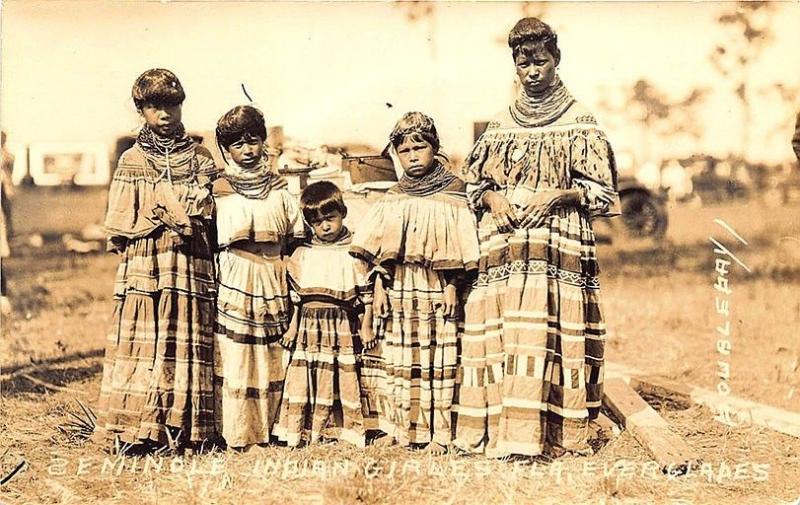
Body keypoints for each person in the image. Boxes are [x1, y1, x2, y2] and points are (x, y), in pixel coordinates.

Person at [453, 18, 619, 459]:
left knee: (551, 332)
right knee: (506, 334)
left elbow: (603, 194)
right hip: (505, 247)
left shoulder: (579, 120)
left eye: (540, 61)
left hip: (556, 243)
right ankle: (504, 433)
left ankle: (555, 435)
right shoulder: (501, 123)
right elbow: (472, 184)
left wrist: (560, 194)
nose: (532, 72)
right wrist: (492, 199)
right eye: (523, 63)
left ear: (556, 60)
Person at [95, 69, 218, 451]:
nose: (164, 114)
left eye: (172, 105)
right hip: (146, 261)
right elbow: (120, 223)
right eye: (154, 107)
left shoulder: (199, 156)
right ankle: (138, 429)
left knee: (185, 334)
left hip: (188, 258)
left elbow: (212, 210)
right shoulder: (132, 159)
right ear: (141, 110)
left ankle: (185, 429)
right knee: (144, 337)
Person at [351, 112, 480, 453]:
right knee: (400, 357)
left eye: (419, 147)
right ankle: (402, 428)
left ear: (434, 148)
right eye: (404, 150)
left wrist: (453, 285)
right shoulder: (394, 196)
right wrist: (379, 287)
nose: (412, 155)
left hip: (437, 290)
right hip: (400, 290)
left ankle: (438, 433)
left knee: (437, 358)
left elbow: (462, 245)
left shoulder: (453, 192)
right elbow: (379, 247)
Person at [212, 105, 306, 450]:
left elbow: (296, 237)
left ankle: (271, 430)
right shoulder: (219, 190)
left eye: (253, 141)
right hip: (236, 275)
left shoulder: (280, 189)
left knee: (270, 355)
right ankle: (238, 434)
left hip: (272, 276)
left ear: (263, 143)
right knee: (237, 355)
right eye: (237, 144)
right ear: (226, 150)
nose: (247, 150)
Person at [274, 181, 374, 447]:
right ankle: (306, 430)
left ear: (343, 213)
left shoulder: (354, 252)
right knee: (307, 375)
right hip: (308, 325)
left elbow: (366, 296)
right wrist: (293, 328)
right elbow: (297, 299)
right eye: (317, 223)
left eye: (330, 218)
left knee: (339, 375)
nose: (325, 226)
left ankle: (340, 430)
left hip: (340, 325)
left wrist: (366, 326)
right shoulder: (303, 253)